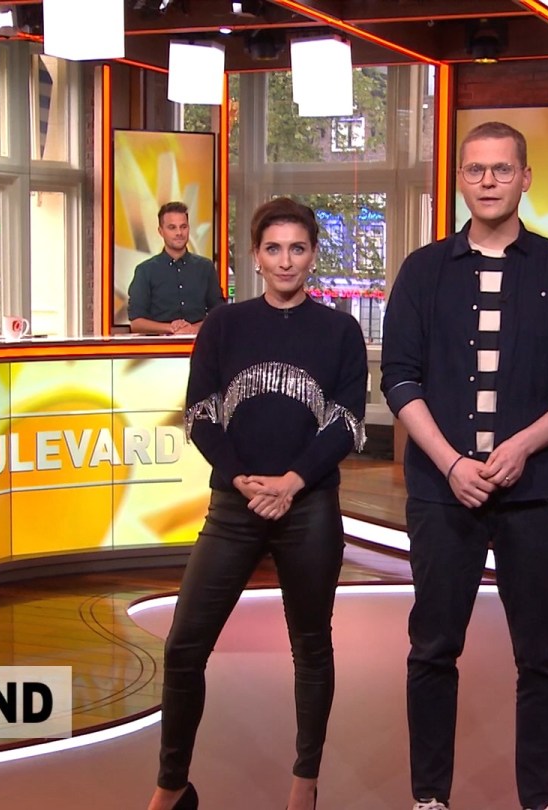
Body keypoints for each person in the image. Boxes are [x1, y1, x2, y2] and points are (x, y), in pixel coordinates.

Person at [381, 122, 548, 810]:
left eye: (502, 169)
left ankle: (541, 800)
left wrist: (522, 446)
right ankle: (430, 798)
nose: (488, 181)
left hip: (534, 493)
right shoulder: (423, 270)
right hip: (442, 492)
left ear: (525, 178)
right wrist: (452, 462)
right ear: (460, 179)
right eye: (476, 169)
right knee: (432, 649)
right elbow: (399, 379)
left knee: (540, 654)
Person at [148, 197, 367, 810]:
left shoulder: (340, 331)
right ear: (255, 256)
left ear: (313, 255)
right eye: (274, 249)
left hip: (309, 508)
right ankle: (172, 786)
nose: (285, 260)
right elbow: (200, 413)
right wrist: (242, 478)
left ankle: (304, 785)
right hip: (233, 506)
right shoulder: (225, 324)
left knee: (311, 647)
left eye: (297, 248)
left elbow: (348, 422)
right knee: (184, 646)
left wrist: (293, 482)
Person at [128, 201, 225, 335]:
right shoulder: (145, 271)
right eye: (172, 227)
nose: (179, 232)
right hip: (159, 346)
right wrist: (171, 328)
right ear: (161, 231)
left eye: (183, 227)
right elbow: (136, 323)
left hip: (199, 342)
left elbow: (219, 312)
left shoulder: (205, 267)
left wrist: (194, 329)